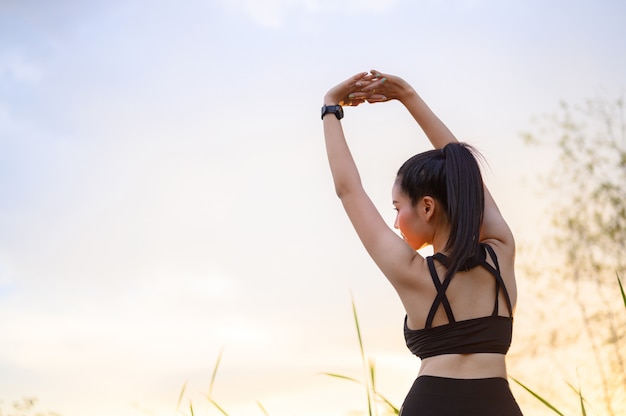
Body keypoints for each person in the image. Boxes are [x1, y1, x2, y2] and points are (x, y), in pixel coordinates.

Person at [321, 70, 523, 415]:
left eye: (398, 208)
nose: (395, 221)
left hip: (431, 404)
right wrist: (408, 96)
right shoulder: (501, 253)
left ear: (427, 206)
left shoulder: (411, 271)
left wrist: (330, 108)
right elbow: (464, 172)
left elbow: (348, 189)